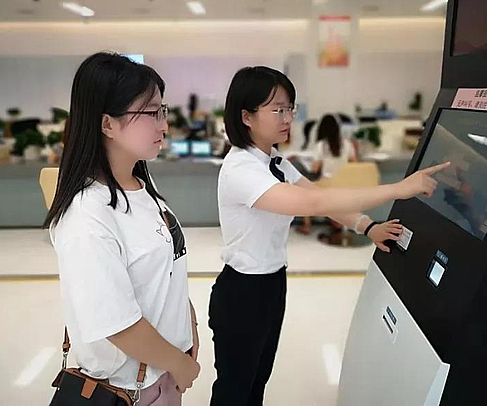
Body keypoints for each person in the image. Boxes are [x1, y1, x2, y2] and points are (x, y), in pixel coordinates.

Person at [208, 66, 449, 406]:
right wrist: (398, 189)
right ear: (246, 116)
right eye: (277, 109)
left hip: (271, 283)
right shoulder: (241, 169)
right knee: (234, 390)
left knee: (257, 381)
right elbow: (313, 203)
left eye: (289, 108)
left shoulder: (274, 161)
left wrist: (367, 226)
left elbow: (318, 194)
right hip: (242, 290)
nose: (287, 118)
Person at [44, 52, 200, 405]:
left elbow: (167, 264)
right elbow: (118, 325)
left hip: (164, 375)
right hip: (128, 390)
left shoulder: (141, 185)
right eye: (151, 113)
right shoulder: (86, 216)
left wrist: (188, 329)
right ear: (107, 124)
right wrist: (180, 364)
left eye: (163, 111)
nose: (164, 126)